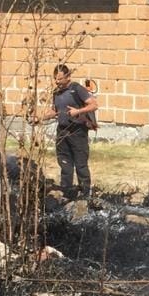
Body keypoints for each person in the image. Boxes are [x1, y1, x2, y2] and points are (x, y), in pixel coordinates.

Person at [35, 63, 99, 201]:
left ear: (68, 76)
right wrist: (39, 118)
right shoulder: (56, 92)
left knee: (80, 164)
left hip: (77, 131)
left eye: (60, 78)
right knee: (65, 163)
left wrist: (78, 111)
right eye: (55, 78)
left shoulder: (77, 89)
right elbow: (55, 111)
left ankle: (85, 194)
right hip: (62, 131)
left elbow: (94, 105)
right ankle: (66, 192)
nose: (57, 81)